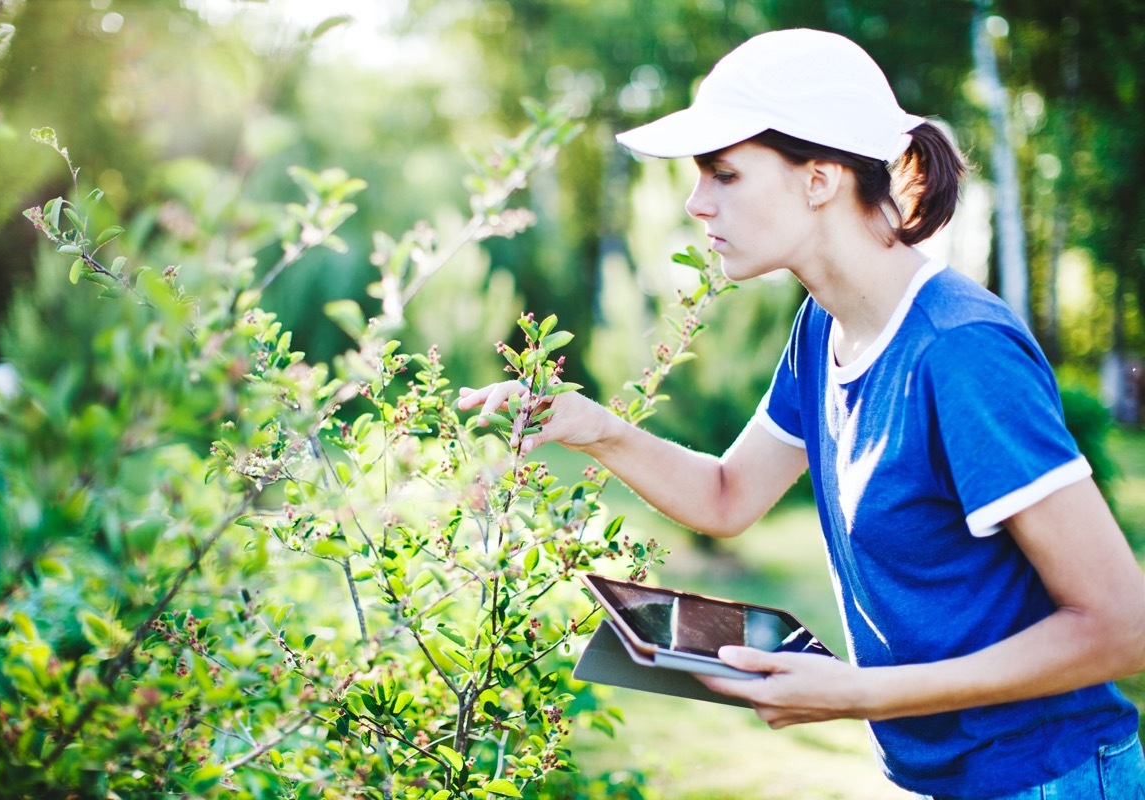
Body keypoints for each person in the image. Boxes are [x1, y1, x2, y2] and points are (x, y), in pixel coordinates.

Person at [457, 27, 1145, 800]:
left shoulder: (958, 351)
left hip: (1049, 776)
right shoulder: (825, 327)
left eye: (723, 174)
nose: (695, 203)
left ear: (818, 179)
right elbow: (727, 497)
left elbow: (1122, 626)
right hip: (936, 778)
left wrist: (857, 693)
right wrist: (600, 430)